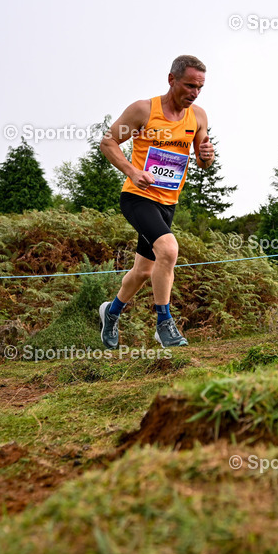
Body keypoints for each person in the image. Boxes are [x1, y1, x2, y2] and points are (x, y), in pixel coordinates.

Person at [98, 55, 215, 349]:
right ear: (171, 79)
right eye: (189, 85)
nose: (194, 93)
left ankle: (110, 314)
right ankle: (164, 324)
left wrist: (207, 157)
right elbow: (108, 142)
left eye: (200, 87)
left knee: (144, 271)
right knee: (169, 249)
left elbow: (202, 162)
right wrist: (132, 171)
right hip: (137, 196)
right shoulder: (143, 110)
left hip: (167, 202)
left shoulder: (198, 116)